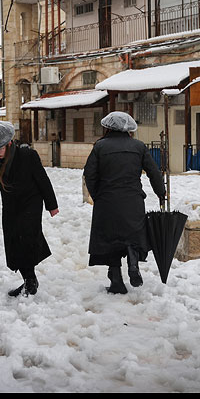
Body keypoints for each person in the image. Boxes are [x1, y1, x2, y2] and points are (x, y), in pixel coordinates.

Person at [83, 111, 166, 294]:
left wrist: (98, 195)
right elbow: (154, 171)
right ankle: (133, 262)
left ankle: (116, 282)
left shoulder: (100, 147)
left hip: (107, 202)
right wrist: (161, 193)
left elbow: (89, 174)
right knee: (132, 236)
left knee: (109, 240)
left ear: (108, 127)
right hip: (133, 201)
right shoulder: (138, 146)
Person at [0, 120, 59, 297]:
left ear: (9, 143)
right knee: (14, 241)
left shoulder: (27, 155)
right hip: (10, 204)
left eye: (0, 149)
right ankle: (28, 279)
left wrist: (52, 205)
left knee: (27, 237)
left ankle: (30, 280)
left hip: (31, 201)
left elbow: (42, 180)